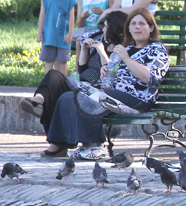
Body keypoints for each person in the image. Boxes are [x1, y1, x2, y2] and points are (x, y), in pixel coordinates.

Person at [28, 8, 169, 158]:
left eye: (142, 24)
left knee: (84, 97)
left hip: (137, 98)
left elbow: (151, 78)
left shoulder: (156, 50)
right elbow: (110, 79)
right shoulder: (125, 49)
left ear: (151, 27)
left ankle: (95, 145)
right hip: (114, 93)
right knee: (67, 96)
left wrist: (127, 60)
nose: (137, 27)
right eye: (133, 24)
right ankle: (59, 144)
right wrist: (106, 74)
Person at [20, 11, 129, 156]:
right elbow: (83, 70)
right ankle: (38, 100)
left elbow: (110, 76)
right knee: (53, 76)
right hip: (83, 85)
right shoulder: (100, 40)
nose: (103, 30)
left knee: (66, 97)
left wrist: (102, 52)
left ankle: (58, 144)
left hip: (99, 92)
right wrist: (84, 50)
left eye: (106, 26)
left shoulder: (123, 50)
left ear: (115, 29)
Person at [37, 0, 77, 75]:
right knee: (49, 61)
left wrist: (70, 33)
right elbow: (42, 15)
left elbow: (72, 17)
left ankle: (62, 82)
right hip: (49, 35)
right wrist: (40, 32)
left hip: (63, 35)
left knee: (63, 61)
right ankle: (49, 83)